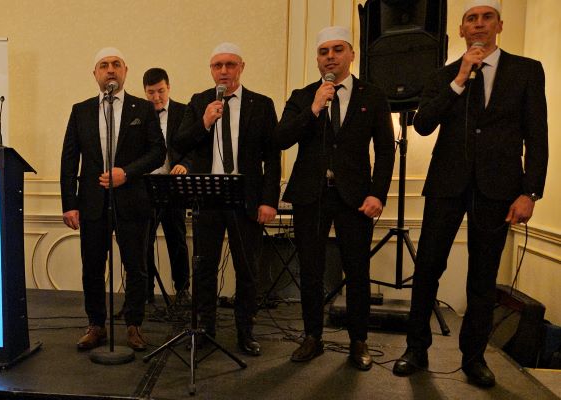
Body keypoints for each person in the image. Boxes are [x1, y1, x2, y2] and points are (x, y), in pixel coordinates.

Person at [392, 0, 548, 388]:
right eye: (471, 19)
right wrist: (459, 79)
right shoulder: (443, 75)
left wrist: (530, 192)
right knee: (427, 269)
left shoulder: (527, 71)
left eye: (486, 17)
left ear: (499, 25)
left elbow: (537, 135)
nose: (479, 24)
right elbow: (423, 125)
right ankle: (416, 349)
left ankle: (474, 358)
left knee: (482, 277)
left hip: (499, 189)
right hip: (446, 186)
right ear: (461, 30)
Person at [275, 27, 395, 370]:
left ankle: (359, 341)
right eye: (323, 51)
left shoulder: (373, 95)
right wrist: (313, 109)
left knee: (357, 270)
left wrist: (378, 194)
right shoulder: (303, 96)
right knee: (311, 270)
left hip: (355, 197)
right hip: (310, 195)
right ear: (317, 58)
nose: (330, 56)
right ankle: (312, 337)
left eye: (337, 49)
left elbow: (385, 150)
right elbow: (281, 138)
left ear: (351, 54)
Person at [173, 43, 280, 356]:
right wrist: (204, 122)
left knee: (247, 269)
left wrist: (269, 200)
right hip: (208, 196)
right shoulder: (199, 102)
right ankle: (205, 329)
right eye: (217, 65)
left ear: (241, 67)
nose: (223, 71)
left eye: (230, 65)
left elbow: (273, 157)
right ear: (211, 69)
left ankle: (245, 331)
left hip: (246, 197)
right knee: (204, 268)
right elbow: (180, 143)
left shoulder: (262, 104)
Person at [60, 47, 166, 351]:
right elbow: (69, 159)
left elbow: (158, 152)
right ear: (95, 74)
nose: (110, 69)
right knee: (92, 266)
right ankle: (96, 325)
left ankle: (134, 325)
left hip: (133, 200)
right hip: (92, 202)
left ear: (125, 71)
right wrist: (69, 204)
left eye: (116, 64)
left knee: (137, 266)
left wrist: (126, 173)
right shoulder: (80, 110)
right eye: (104, 65)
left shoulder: (142, 108)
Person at [142, 67, 191, 306]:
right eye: (151, 92)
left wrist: (185, 165)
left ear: (169, 87)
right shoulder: (139, 114)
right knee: (143, 241)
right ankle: (145, 293)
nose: (156, 97)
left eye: (161, 91)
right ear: (144, 92)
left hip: (173, 185)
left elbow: (193, 146)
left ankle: (182, 290)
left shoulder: (184, 112)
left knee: (177, 239)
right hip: (145, 186)